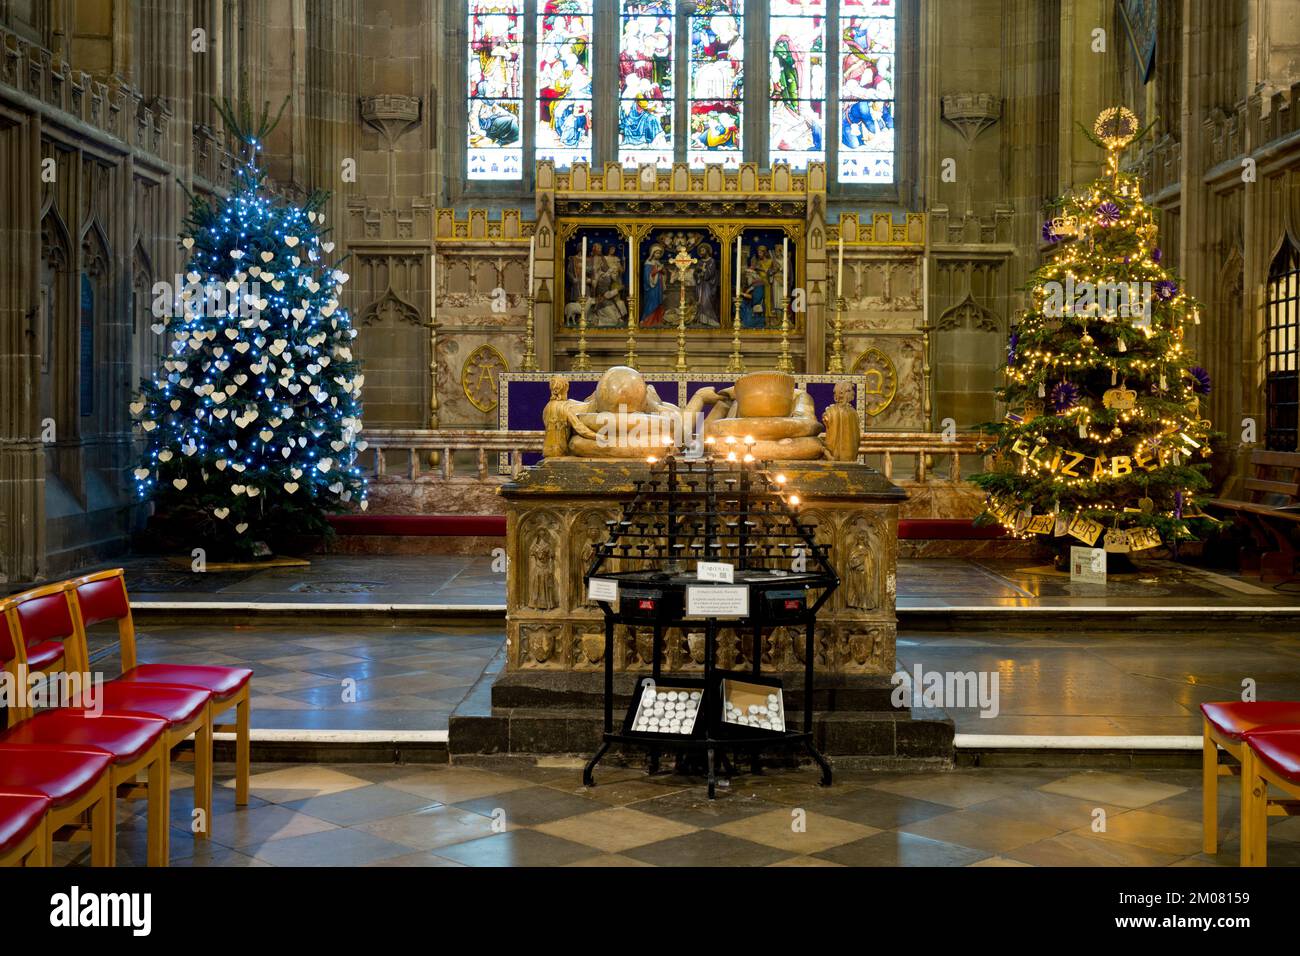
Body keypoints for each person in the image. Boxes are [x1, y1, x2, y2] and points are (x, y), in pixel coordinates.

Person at [640, 244, 666, 327]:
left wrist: (662, 271)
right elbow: (647, 276)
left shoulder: (658, 262)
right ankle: (647, 321)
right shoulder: (648, 263)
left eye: (659, 253)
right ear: (652, 253)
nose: (658, 255)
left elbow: (663, 273)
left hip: (658, 286)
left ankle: (657, 320)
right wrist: (656, 270)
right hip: (651, 287)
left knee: (658, 302)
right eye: (656, 253)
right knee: (651, 303)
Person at [693, 244, 720, 327]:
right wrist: (698, 273)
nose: (701, 252)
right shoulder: (700, 262)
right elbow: (695, 273)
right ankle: (702, 319)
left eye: (703, 250)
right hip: (700, 285)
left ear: (707, 251)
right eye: (700, 251)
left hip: (708, 285)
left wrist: (704, 271)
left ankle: (710, 320)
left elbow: (711, 274)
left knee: (706, 301)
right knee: (700, 302)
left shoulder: (712, 261)